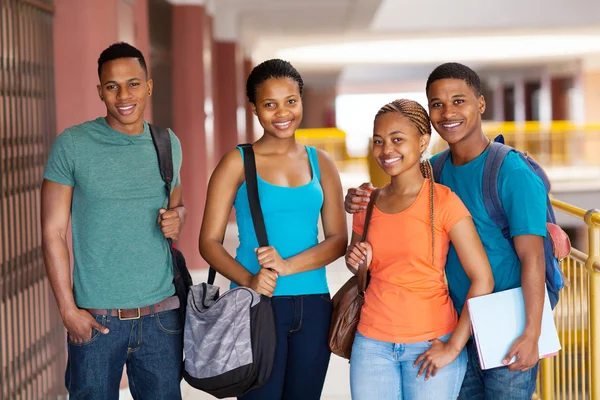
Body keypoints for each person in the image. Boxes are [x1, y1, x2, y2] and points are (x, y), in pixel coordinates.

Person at [345, 63, 548, 399]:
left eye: (458, 101)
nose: (447, 112)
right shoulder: (434, 170)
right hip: (453, 319)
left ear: (480, 104)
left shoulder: (510, 169)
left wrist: (531, 332)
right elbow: (400, 213)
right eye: (437, 104)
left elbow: (533, 256)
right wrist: (358, 202)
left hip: (504, 322)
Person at [41, 42, 185, 399]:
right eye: (112, 86)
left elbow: (177, 205)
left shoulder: (167, 143)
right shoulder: (73, 144)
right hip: (96, 320)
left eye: (133, 83)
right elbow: (53, 231)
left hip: (161, 317)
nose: (124, 95)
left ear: (148, 86)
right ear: (100, 91)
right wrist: (67, 310)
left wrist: (177, 217)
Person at [198, 59, 347, 400]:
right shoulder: (237, 161)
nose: (282, 112)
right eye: (270, 104)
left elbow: (338, 239)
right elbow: (208, 242)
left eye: (290, 101)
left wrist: (287, 266)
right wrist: (249, 280)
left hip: (314, 305)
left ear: (301, 101)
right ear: (254, 108)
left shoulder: (320, 162)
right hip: (256, 305)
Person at [346, 99, 494, 400]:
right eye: (379, 141)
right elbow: (356, 263)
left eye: (397, 139)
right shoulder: (367, 203)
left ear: (423, 141)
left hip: (431, 342)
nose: (387, 150)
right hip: (371, 345)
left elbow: (483, 279)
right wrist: (356, 260)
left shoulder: (443, 201)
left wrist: (453, 346)